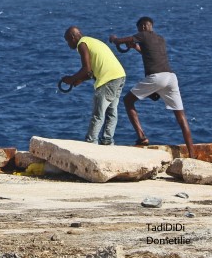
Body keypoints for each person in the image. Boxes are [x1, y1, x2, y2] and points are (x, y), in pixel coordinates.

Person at [109, 17, 196, 158]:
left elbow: (121, 41)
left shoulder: (143, 34)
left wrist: (114, 38)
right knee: (181, 117)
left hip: (156, 77)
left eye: (138, 29)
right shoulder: (160, 39)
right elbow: (148, 53)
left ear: (143, 27)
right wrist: (135, 47)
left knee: (128, 101)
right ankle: (192, 154)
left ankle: (142, 137)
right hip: (171, 77)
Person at [62, 26, 126, 145]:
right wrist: (80, 80)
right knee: (112, 111)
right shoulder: (92, 40)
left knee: (98, 113)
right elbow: (91, 72)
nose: (68, 44)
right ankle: (107, 141)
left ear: (73, 37)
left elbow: (86, 68)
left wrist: (71, 79)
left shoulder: (82, 44)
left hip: (108, 79)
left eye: (67, 40)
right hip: (119, 75)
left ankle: (91, 142)